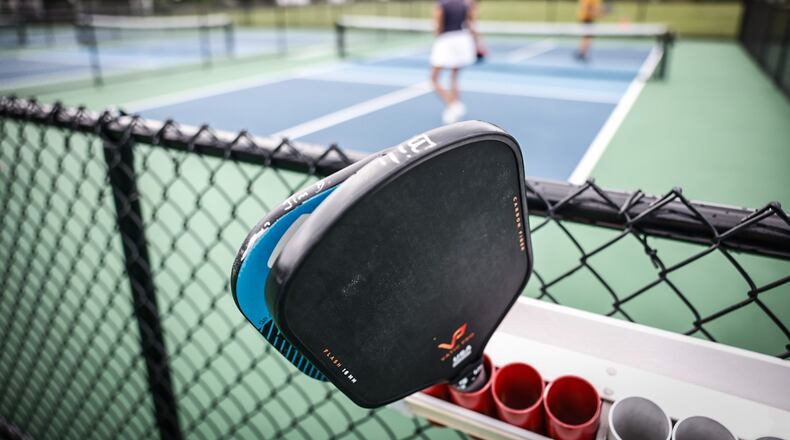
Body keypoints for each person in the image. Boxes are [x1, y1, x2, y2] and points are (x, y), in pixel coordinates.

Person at [430, 0, 480, 124]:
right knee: (454, 77)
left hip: (447, 40)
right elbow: (471, 24)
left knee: (433, 79)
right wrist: (477, 43)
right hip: (462, 39)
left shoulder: (441, 4)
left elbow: (438, 26)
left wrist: (438, 34)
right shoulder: (466, 3)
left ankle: (453, 105)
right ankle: (454, 106)